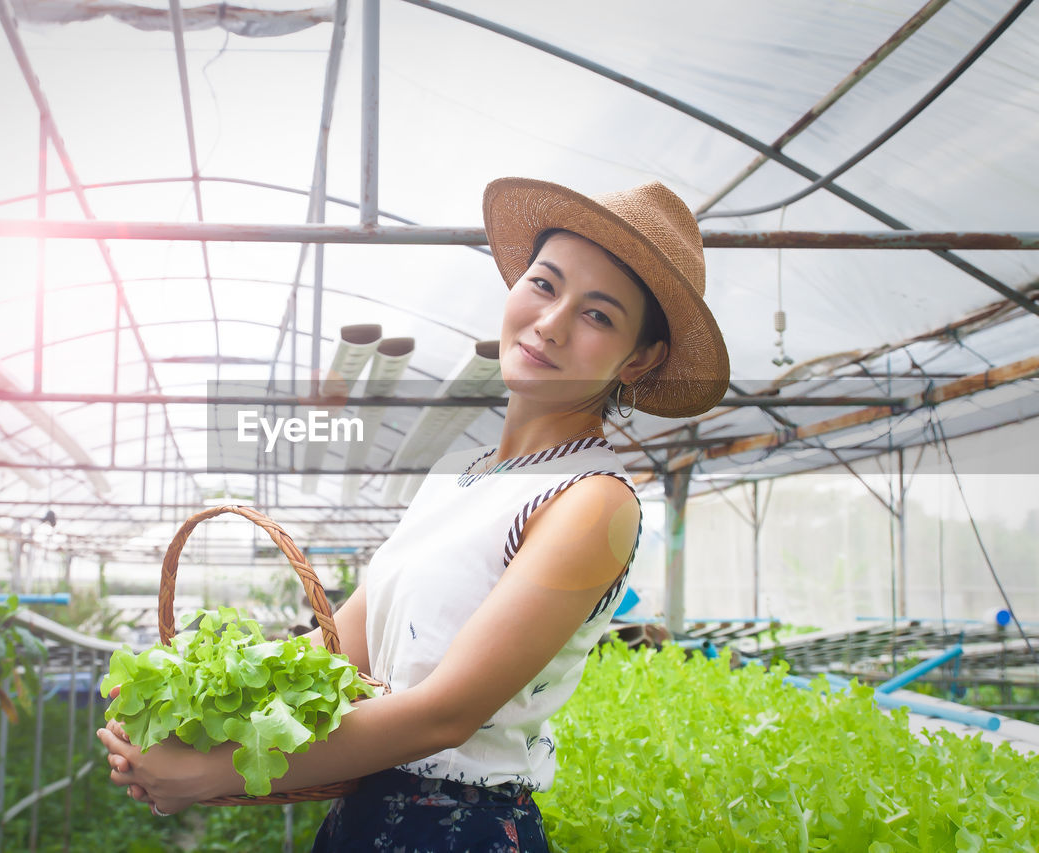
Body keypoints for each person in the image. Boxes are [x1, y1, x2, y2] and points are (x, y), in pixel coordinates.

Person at [97, 177, 729, 851]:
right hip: (362, 818)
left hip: (456, 830)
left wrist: (210, 774)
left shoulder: (591, 498)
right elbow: (343, 649)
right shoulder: (456, 479)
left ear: (640, 356)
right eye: (545, 284)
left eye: (598, 315)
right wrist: (189, 694)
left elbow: (442, 714)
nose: (550, 321)